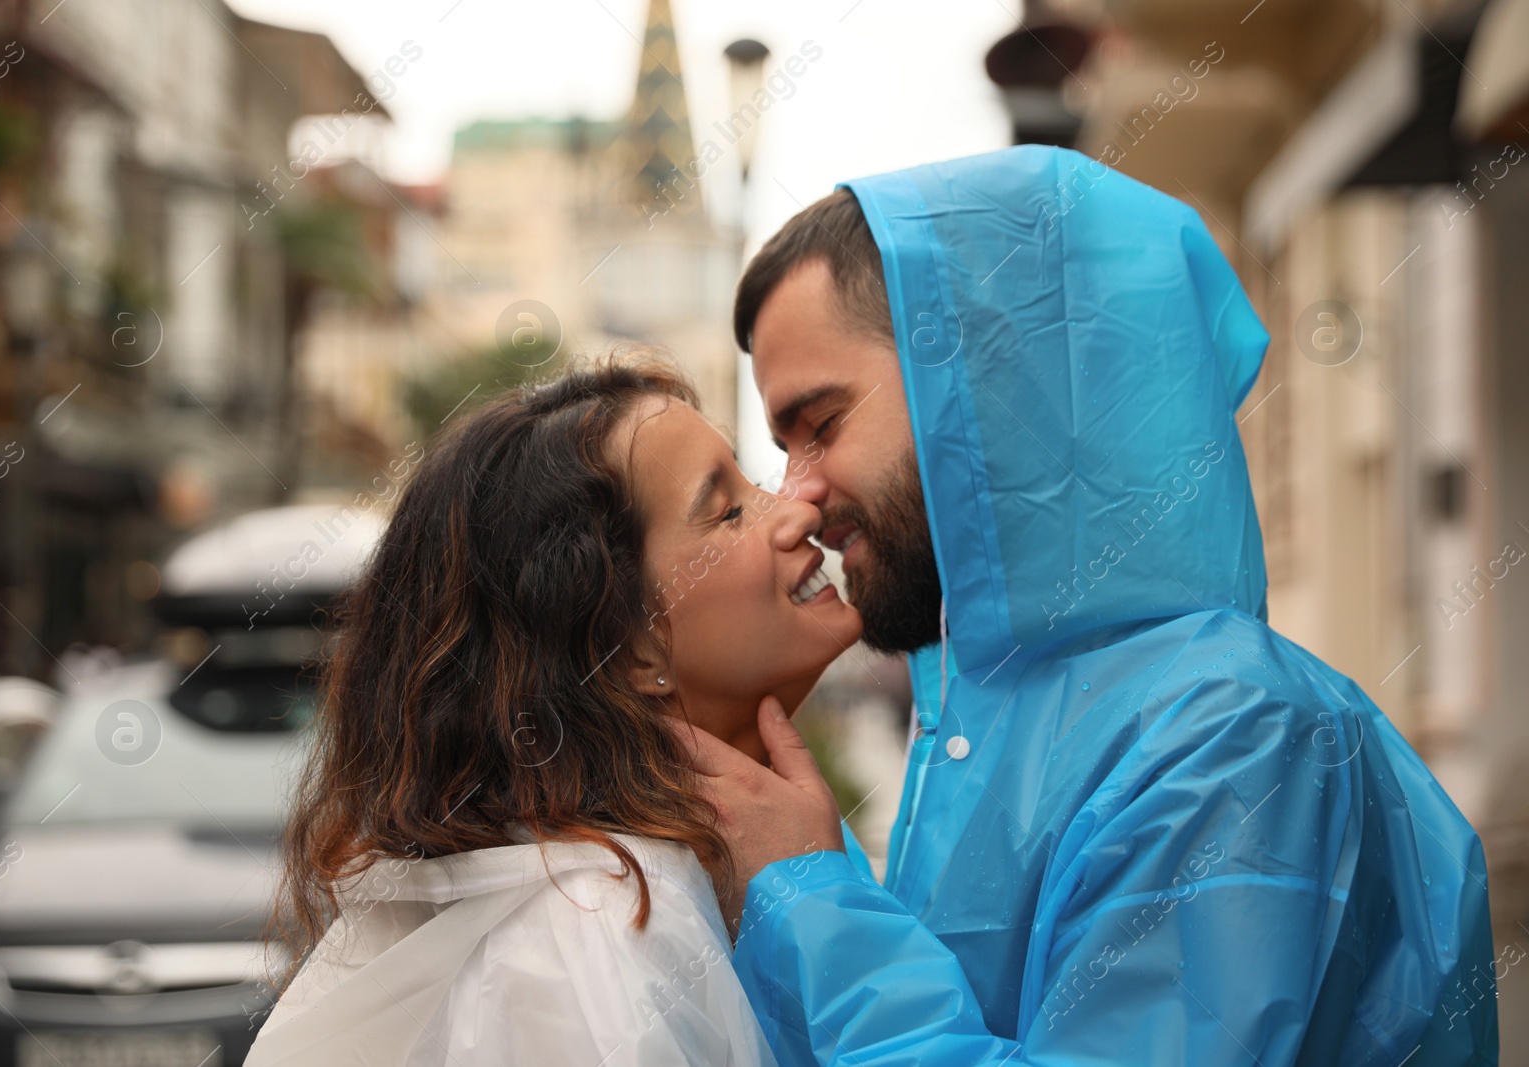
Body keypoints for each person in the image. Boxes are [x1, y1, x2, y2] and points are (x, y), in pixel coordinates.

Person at [672, 146, 1498, 1064]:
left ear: (981, 384)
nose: (798, 494)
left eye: (821, 426)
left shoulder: (1235, 736)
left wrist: (809, 896)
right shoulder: (990, 719)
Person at [244, 355, 872, 1066]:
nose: (798, 509)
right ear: (625, 644)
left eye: (753, 483)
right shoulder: (592, 937)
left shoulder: (713, 865)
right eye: (728, 510)